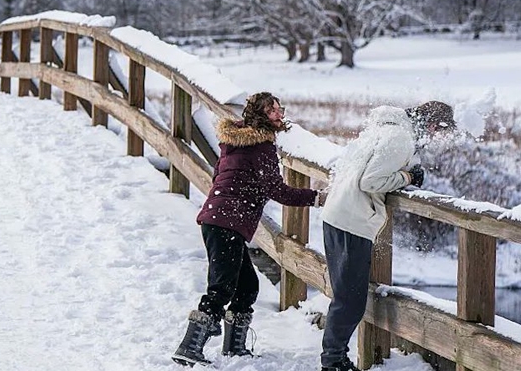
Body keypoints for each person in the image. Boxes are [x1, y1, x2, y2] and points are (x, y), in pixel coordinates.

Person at [172, 92, 326, 367]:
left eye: (280, 109)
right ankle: (189, 347)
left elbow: (219, 176)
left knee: (247, 287)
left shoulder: (233, 142)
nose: (280, 114)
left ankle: (234, 348)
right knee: (221, 288)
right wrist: (315, 198)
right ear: (260, 117)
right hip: (227, 222)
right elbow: (277, 190)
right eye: (273, 111)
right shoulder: (262, 147)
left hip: (217, 219)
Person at [318, 101, 455, 371]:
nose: (436, 138)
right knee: (350, 300)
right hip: (352, 221)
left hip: (337, 214)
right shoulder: (400, 138)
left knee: (346, 296)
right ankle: (332, 362)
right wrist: (406, 176)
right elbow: (369, 182)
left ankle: (334, 359)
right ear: (431, 125)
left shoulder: (383, 129)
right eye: (439, 132)